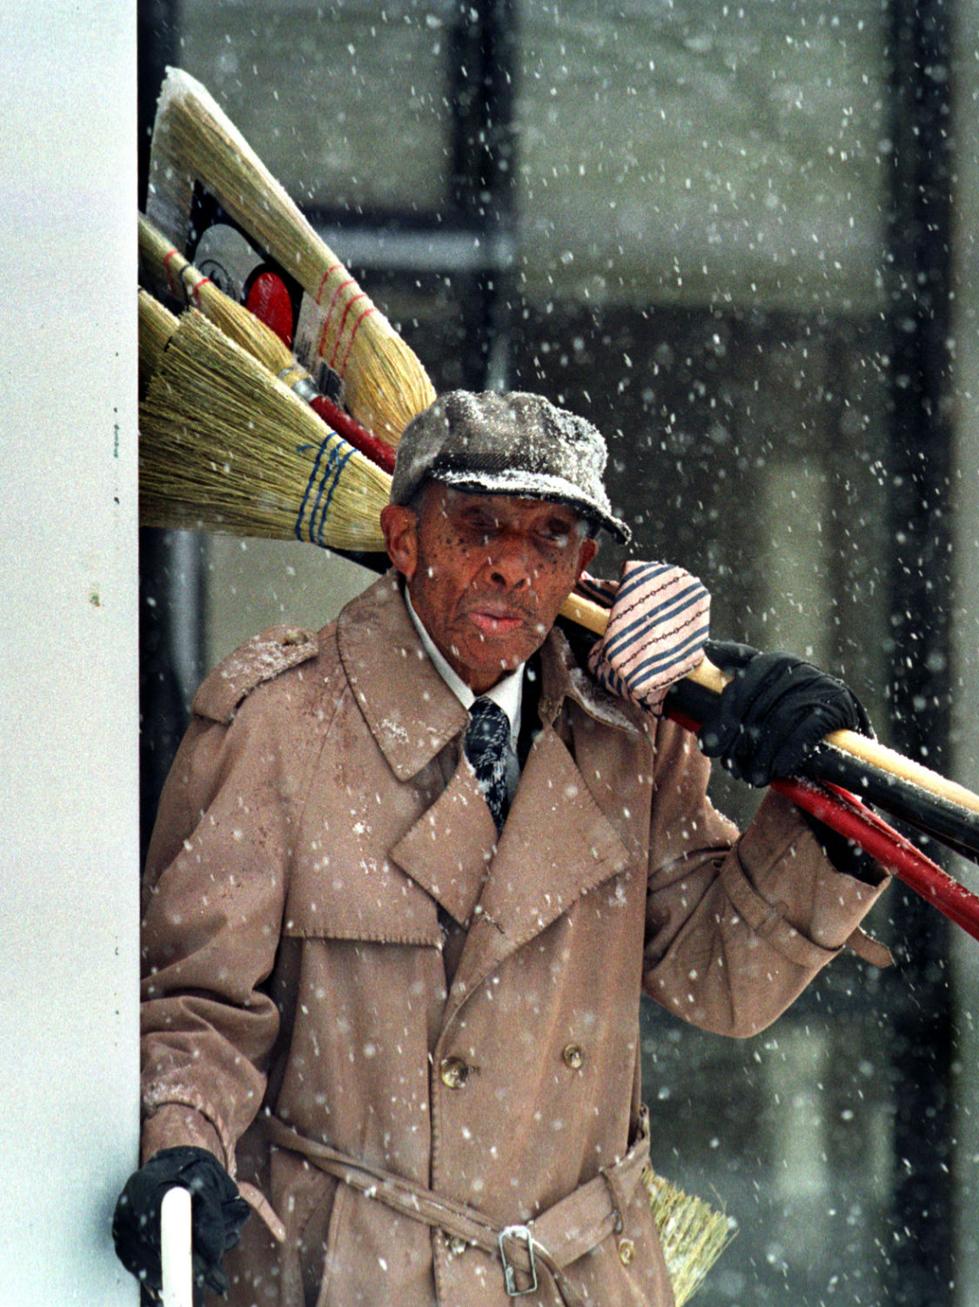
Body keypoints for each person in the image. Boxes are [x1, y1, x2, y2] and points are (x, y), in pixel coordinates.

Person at [113, 390, 891, 1306]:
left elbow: (717, 976)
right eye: (478, 525)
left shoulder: (628, 732)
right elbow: (194, 1004)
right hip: (356, 1272)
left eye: (549, 536)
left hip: (577, 1278)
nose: (512, 566)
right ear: (403, 539)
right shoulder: (283, 724)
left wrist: (829, 808)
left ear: (585, 564)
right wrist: (183, 1143)